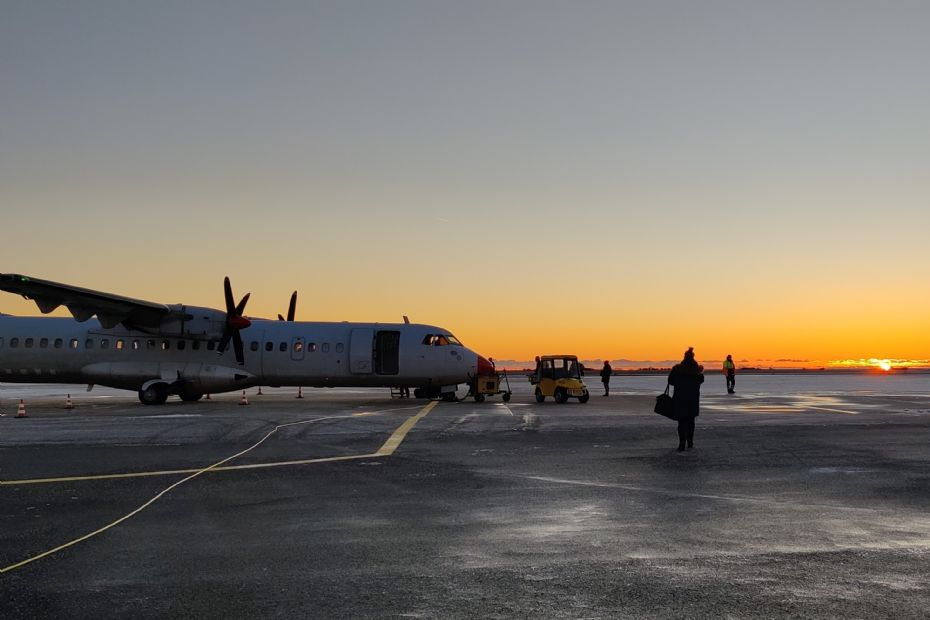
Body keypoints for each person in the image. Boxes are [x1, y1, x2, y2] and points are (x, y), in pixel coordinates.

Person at [668, 347, 704, 452]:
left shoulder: (677, 368)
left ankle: (682, 442)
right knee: (691, 421)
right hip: (692, 399)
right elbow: (701, 380)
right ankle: (690, 442)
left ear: (684, 357)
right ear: (693, 357)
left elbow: (671, 381)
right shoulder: (697, 370)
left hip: (680, 398)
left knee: (682, 422)